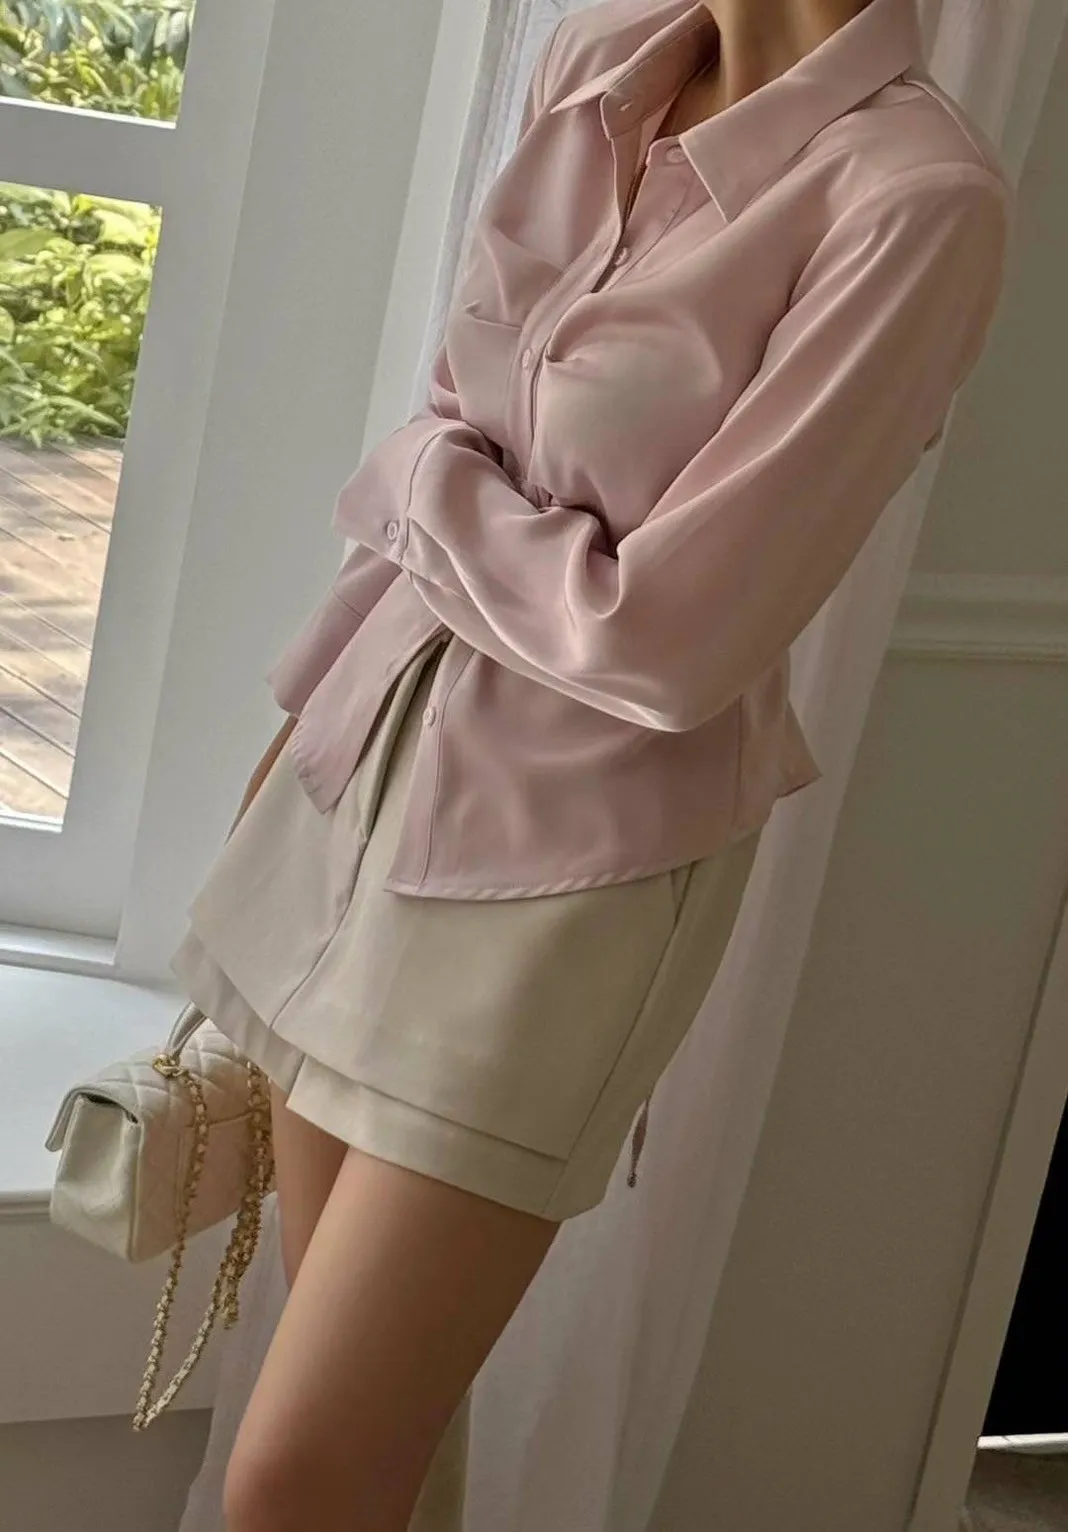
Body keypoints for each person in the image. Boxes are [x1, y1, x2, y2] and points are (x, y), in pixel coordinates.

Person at [169, 1, 1012, 1527]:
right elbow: (457, 411)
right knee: (379, 1451)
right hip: (361, 769)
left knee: (296, 1479)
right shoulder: (597, 69)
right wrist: (300, 725)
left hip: (561, 877)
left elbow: (672, 639)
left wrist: (428, 482)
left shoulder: (912, 199)